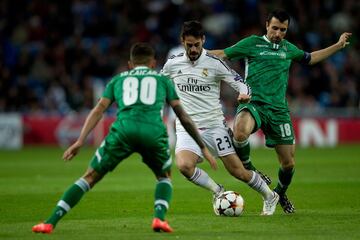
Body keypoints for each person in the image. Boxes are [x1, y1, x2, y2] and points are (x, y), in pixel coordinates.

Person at [32, 42, 217, 234]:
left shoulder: (118, 80)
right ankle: (159, 219)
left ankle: (50, 222)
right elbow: (183, 116)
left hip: (123, 131)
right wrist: (202, 147)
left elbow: (98, 110)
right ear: (153, 63)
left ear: (130, 64)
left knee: (89, 177)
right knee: (164, 176)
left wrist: (80, 141)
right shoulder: (163, 81)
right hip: (152, 132)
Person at [209, 9, 352, 213]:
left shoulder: (288, 48)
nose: (278, 33)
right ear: (267, 25)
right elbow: (223, 53)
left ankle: (279, 193)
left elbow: (310, 58)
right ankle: (249, 167)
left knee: (288, 164)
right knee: (240, 130)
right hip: (254, 103)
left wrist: (338, 46)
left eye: (282, 30)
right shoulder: (252, 43)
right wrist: (194, 55)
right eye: (275, 28)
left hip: (279, 111)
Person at [161, 20, 279, 216]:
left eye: (196, 44)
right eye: (189, 44)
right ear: (182, 41)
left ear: (203, 40)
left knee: (238, 171)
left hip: (214, 126)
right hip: (187, 128)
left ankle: (269, 195)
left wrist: (243, 93)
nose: (193, 49)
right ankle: (217, 191)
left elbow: (240, 82)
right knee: (183, 165)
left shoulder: (215, 63)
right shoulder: (172, 64)